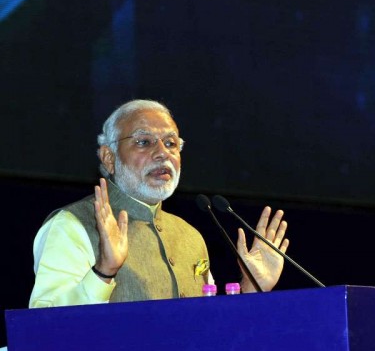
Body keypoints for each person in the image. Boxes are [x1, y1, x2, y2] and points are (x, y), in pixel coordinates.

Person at [29, 99, 289, 307]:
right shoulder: (71, 225)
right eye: (144, 142)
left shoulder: (190, 236)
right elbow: (43, 329)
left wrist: (251, 289)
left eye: (171, 143)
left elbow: (212, 333)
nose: (162, 153)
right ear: (109, 158)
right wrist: (103, 272)